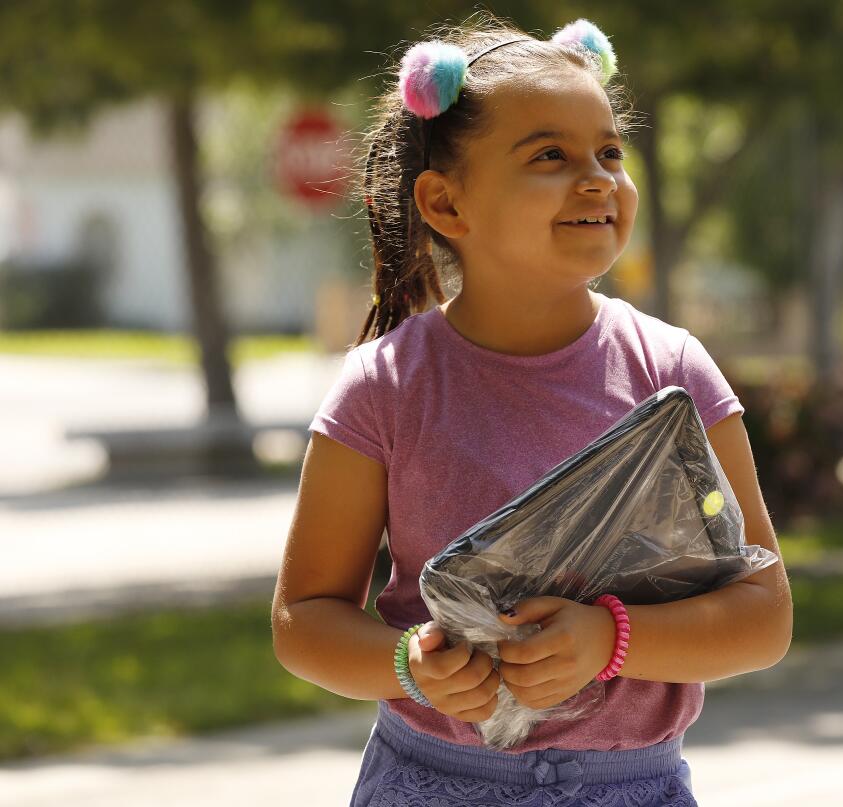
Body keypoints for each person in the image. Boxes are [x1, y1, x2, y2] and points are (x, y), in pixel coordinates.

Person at [270, 10, 792, 806]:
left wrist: (612, 641)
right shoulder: (384, 387)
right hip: (431, 783)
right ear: (446, 205)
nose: (597, 178)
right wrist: (411, 660)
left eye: (610, 151)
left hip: (636, 788)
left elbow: (764, 615)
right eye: (550, 155)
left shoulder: (673, 369)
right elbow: (304, 618)